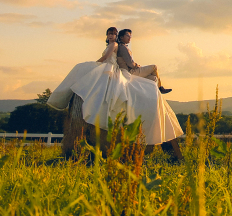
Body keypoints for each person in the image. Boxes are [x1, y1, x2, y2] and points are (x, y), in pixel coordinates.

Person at [47, 26, 183, 146]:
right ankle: (158, 89)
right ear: (108, 36)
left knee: (151, 78)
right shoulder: (117, 46)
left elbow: (107, 57)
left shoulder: (115, 46)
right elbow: (111, 58)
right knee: (152, 72)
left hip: (110, 67)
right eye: (110, 34)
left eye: (113, 34)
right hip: (113, 67)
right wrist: (97, 64)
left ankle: (157, 90)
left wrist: (97, 63)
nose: (111, 36)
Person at [115, 29, 172, 94]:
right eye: (127, 35)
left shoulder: (122, 47)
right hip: (130, 72)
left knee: (153, 78)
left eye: (130, 36)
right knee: (154, 67)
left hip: (129, 71)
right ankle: (161, 88)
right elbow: (130, 63)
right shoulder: (122, 47)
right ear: (121, 37)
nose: (130, 37)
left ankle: (154, 93)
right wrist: (138, 66)